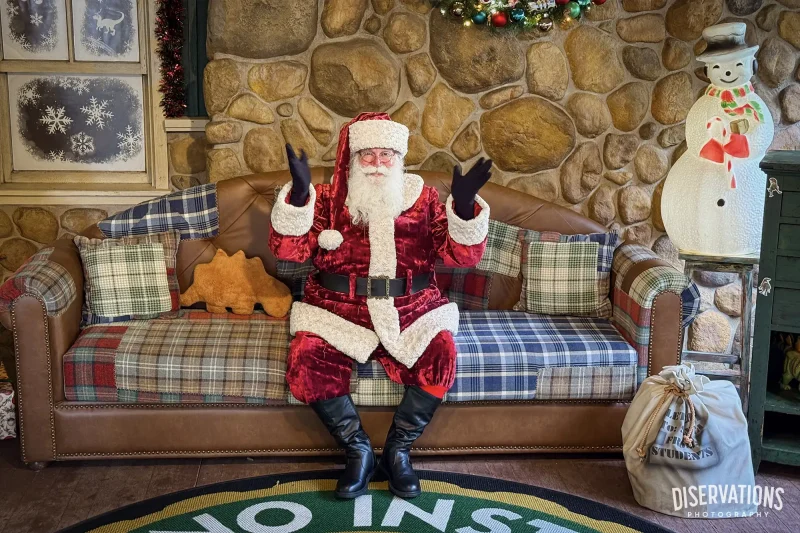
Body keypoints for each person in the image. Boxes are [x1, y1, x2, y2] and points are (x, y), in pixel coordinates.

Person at [269, 112, 491, 499]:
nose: (376, 163)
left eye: (386, 154)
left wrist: (466, 206)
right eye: (367, 154)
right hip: (337, 309)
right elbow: (290, 251)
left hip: (412, 308)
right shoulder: (332, 198)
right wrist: (301, 196)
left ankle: (398, 451)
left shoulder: (422, 198)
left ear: (400, 158)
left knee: (441, 354)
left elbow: (459, 256)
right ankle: (357, 451)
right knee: (306, 357)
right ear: (353, 158)